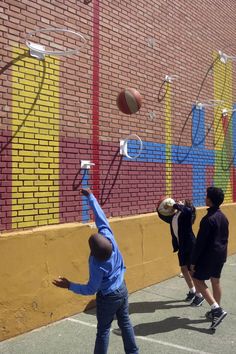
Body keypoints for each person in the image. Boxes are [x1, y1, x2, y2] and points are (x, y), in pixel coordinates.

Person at [53, 188, 139, 354]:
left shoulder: (96, 264)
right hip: (122, 288)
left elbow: (91, 289)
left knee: (103, 331)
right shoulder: (109, 238)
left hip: (108, 297)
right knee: (125, 322)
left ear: (92, 252)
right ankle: (133, 352)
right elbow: (101, 218)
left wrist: (70, 285)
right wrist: (91, 197)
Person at [191, 187, 229, 330]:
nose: (205, 198)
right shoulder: (223, 217)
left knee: (196, 279)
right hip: (220, 255)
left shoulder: (208, 219)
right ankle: (216, 309)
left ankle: (216, 310)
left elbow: (200, 244)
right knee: (215, 281)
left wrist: (193, 262)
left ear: (210, 200)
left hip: (209, 256)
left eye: (207, 196)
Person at [156, 198, 204, 306]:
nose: (179, 201)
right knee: (183, 268)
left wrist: (175, 205)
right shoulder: (174, 217)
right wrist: (160, 207)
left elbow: (187, 210)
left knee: (192, 271)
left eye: (182, 201)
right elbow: (163, 216)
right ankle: (192, 291)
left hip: (190, 246)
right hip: (181, 246)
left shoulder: (186, 215)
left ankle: (199, 295)